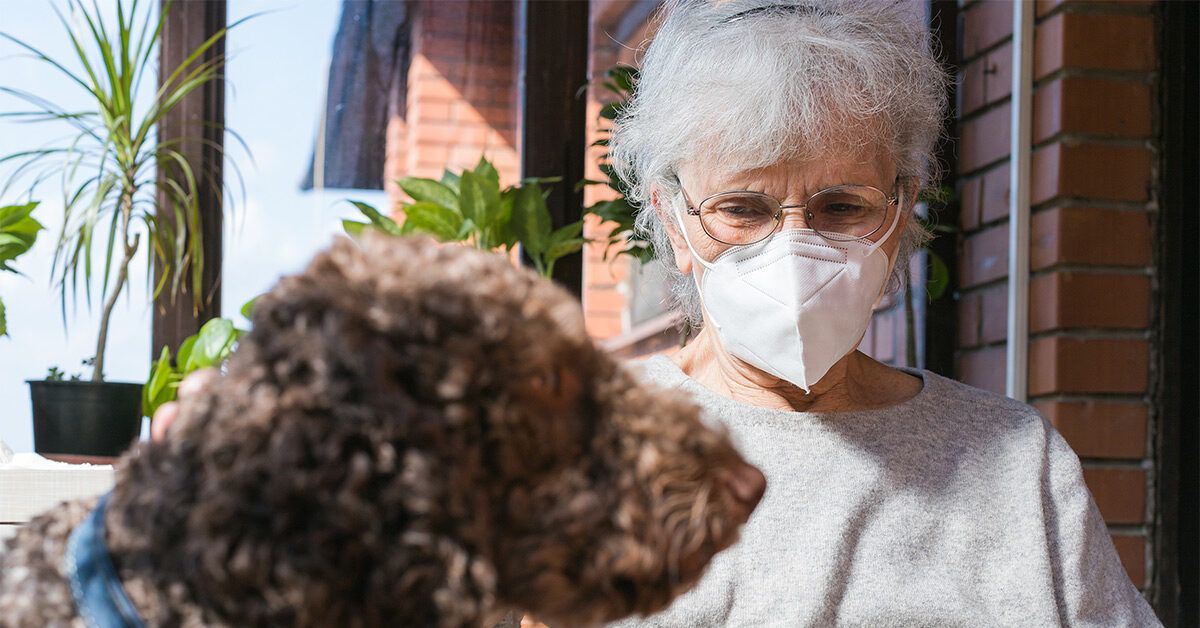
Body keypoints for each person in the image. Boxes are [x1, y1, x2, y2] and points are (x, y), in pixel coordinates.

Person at [600, 0, 1162, 625]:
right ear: (676, 223)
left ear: (901, 213)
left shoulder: (1017, 465)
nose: (793, 254)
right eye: (743, 209)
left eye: (842, 208)